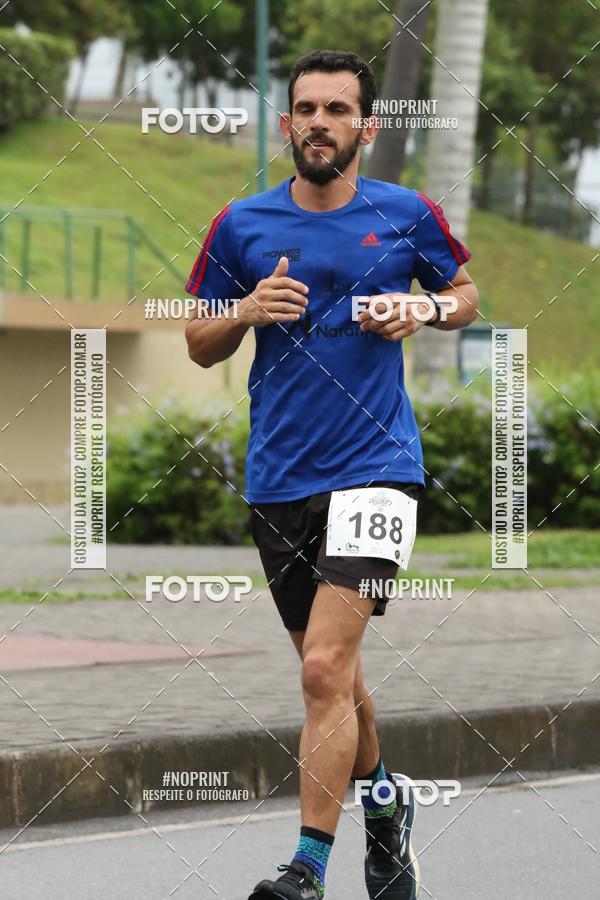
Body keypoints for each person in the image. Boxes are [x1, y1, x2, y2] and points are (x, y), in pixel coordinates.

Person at [185, 48, 479, 900]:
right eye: (307, 109)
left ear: (366, 127)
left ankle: (306, 870)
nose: (320, 123)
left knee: (320, 669)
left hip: (379, 467)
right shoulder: (240, 223)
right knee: (338, 676)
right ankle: (387, 807)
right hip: (279, 478)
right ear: (287, 124)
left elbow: (465, 295)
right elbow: (198, 343)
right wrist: (245, 310)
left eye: (337, 110)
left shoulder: (407, 213)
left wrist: (422, 305)